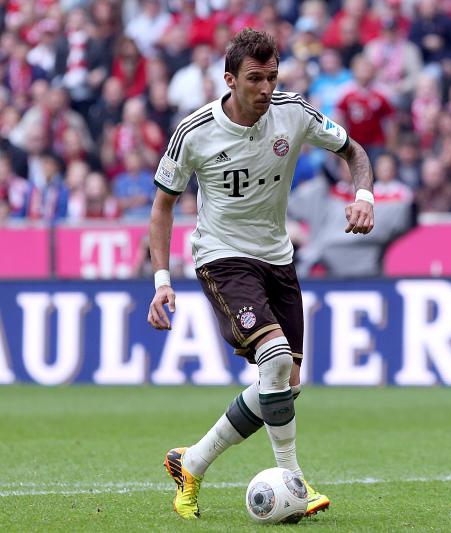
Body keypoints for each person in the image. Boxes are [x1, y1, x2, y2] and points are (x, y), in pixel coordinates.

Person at [147, 29, 375, 520]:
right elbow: (163, 206)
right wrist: (162, 281)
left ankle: (192, 460)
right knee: (271, 356)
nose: (266, 87)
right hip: (221, 256)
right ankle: (294, 479)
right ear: (229, 80)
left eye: (272, 76)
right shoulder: (194, 132)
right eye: (255, 78)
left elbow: (354, 152)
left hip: (277, 257)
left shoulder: (293, 113)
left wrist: (363, 197)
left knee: (285, 383)